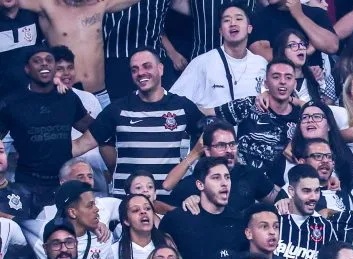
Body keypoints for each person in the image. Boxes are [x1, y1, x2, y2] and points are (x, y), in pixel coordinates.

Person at [72, 48, 204, 196]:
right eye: (135, 70)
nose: (140, 73)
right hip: (126, 205)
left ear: (161, 69)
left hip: (169, 202)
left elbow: (211, 137)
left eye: (147, 66)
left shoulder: (182, 106)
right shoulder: (117, 109)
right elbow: (80, 145)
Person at [0, 47, 91, 210]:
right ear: (27, 69)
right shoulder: (12, 103)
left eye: (49, 60)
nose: (44, 64)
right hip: (27, 186)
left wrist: (116, 119)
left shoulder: (68, 98)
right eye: (37, 60)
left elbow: (92, 127)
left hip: (65, 183)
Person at [212, 60, 301, 183]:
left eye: (288, 77)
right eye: (276, 77)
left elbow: (326, 114)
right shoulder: (249, 105)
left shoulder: (304, 117)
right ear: (266, 83)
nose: (282, 81)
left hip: (281, 190)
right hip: (241, 183)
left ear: (294, 84)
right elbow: (208, 115)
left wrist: (300, 103)